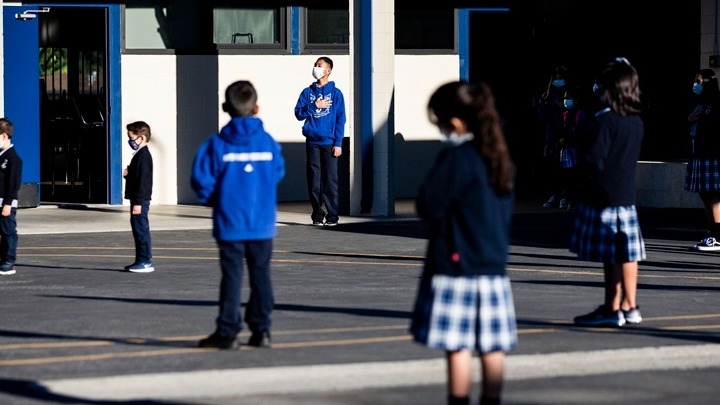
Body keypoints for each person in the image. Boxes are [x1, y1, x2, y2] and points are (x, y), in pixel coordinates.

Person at [410, 81, 517, 405]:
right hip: (493, 268)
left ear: (454, 123)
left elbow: (428, 204)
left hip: (457, 268)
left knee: (458, 346)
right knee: (492, 347)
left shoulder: (457, 158)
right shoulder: (499, 157)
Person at [192, 80, 285, 350]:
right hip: (261, 224)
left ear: (225, 108)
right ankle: (262, 329)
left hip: (230, 223)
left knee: (232, 278)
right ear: (256, 108)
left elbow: (201, 181)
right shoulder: (268, 143)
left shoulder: (216, 145)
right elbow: (277, 173)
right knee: (261, 276)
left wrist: (219, 201)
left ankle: (228, 332)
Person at [570, 57, 646, 327]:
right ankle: (630, 305)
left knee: (610, 257)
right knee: (628, 254)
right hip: (625, 197)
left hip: (603, 196)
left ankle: (611, 307)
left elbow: (593, 159)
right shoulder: (634, 121)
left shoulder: (604, 121)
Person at [294, 56, 346, 226]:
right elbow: (298, 114)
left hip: (329, 142)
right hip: (312, 142)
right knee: (314, 179)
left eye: (319, 66)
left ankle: (332, 214)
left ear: (328, 70)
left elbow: (340, 119)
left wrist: (338, 143)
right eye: (315, 65)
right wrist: (315, 105)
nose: (316, 68)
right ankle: (317, 213)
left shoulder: (336, 94)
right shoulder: (307, 93)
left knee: (330, 179)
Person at [684, 68, 720, 251]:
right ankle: (711, 233)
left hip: (712, 153)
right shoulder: (701, 103)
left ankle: (717, 235)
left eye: (699, 81)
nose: (696, 85)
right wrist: (691, 118)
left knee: (713, 194)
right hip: (699, 152)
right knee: (705, 195)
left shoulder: (715, 103)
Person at [123, 121, 155, 273]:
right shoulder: (140, 156)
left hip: (140, 200)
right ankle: (140, 260)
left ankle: (145, 261)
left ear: (141, 138)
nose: (130, 141)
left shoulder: (143, 156)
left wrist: (138, 203)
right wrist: (129, 175)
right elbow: (138, 178)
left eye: (131, 138)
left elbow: (143, 182)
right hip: (138, 199)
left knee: (141, 230)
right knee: (138, 230)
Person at [537, 65, 571, 208]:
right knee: (552, 168)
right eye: (555, 78)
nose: (558, 81)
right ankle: (554, 194)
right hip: (551, 136)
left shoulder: (569, 95)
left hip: (566, 137)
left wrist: (562, 107)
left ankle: (565, 196)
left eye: (560, 78)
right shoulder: (546, 96)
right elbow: (541, 116)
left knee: (567, 168)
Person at [556, 85, 590, 210]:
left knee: (576, 175)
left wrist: (571, 138)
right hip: (566, 149)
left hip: (576, 149)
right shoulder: (564, 114)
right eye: (565, 98)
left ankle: (575, 200)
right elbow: (560, 130)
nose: (566, 100)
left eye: (569, 98)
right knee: (566, 175)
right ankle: (566, 198)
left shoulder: (581, 114)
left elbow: (582, 132)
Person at [0, 118, 22, 276]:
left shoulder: (13, 159)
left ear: (3, 136)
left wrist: (8, 203)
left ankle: (9, 260)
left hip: (6, 203)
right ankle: (3, 259)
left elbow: (13, 185)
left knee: (8, 232)